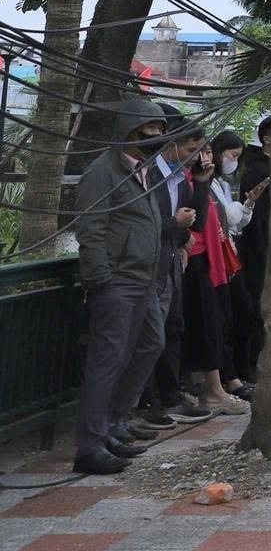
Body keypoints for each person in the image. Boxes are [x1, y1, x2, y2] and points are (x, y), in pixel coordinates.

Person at [72, 99, 178, 474]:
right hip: (117, 281)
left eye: (160, 130)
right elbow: (91, 228)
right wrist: (101, 278)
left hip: (144, 279)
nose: (157, 136)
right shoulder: (103, 172)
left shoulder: (144, 170)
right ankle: (90, 445)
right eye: (151, 130)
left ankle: (115, 422)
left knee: (151, 344)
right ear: (130, 131)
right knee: (106, 361)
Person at [139, 111, 206, 425]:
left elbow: (195, 221)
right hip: (148, 265)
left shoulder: (182, 179)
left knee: (172, 328)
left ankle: (170, 394)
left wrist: (202, 184)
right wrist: (174, 225)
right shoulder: (149, 174)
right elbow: (144, 224)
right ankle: (144, 400)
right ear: (173, 144)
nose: (196, 157)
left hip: (171, 262)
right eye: (192, 149)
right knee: (148, 335)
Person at [178, 138, 247, 414]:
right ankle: (211, 390)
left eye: (207, 151)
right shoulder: (182, 181)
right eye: (197, 151)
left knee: (215, 324)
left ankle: (220, 385)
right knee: (203, 327)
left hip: (211, 260)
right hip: (192, 261)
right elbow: (194, 222)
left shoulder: (206, 182)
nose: (204, 157)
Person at [209, 130, 264, 394]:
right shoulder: (207, 184)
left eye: (237, 157)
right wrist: (236, 210)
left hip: (230, 252)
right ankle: (229, 376)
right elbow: (225, 217)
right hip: (216, 256)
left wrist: (248, 204)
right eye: (232, 155)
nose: (233, 161)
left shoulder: (222, 184)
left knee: (242, 311)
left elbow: (236, 221)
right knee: (228, 316)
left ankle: (238, 370)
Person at [234, 114, 271, 379]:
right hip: (257, 251)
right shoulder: (259, 171)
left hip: (265, 249)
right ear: (267, 138)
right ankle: (248, 366)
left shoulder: (270, 167)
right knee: (255, 310)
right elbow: (256, 217)